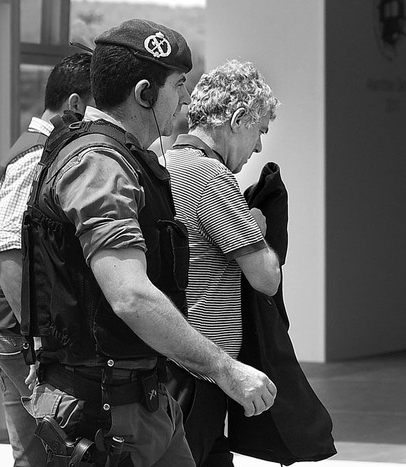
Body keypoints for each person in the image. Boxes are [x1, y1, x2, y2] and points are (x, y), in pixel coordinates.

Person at [20, 20, 277, 467]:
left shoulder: (129, 159)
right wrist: (224, 368)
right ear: (144, 93)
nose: (186, 101)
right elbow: (131, 296)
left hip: (142, 400)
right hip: (106, 413)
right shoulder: (99, 166)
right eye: (179, 86)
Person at [0, 52, 92, 467]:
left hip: (3, 328)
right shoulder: (35, 155)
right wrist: (36, 340)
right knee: (61, 451)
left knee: (33, 457)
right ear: (75, 105)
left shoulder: (30, 149)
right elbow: (5, 247)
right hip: (15, 333)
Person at [163, 60, 281, 466]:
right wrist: (260, 228)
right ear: (237, 119)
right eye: (259, 131)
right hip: (200, 372)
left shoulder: (162, 163)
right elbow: (266, 279)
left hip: (174, 363)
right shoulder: (210, 176)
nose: (260, 148)